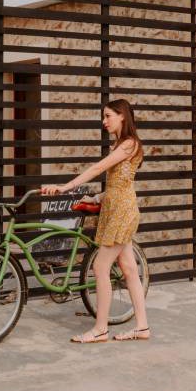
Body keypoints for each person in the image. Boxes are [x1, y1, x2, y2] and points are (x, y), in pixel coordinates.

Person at [40, 99, 150, 343]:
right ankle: (142, 327)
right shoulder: (119, 146)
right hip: (114, 209)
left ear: (122, 116)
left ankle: (100, 329)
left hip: (122, 213)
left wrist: (64, 188)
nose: (104, 121)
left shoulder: (129, 144)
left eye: (108, 116)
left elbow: (96, 169)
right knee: (130, 270)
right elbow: (119, 184)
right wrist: (96, 196)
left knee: (100, 267)